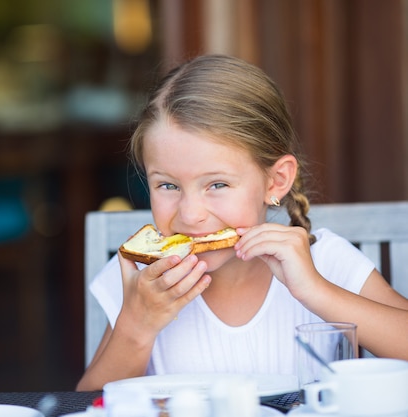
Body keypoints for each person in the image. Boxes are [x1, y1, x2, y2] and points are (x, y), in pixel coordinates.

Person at [76, 54, 408, 391]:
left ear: (276, 181)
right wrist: (136, 326)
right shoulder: (140, 283)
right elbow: (88, 405)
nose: (190, 215)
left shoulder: (326, 263)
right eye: (168, 185)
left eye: (217, 185)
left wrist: (316, 291)